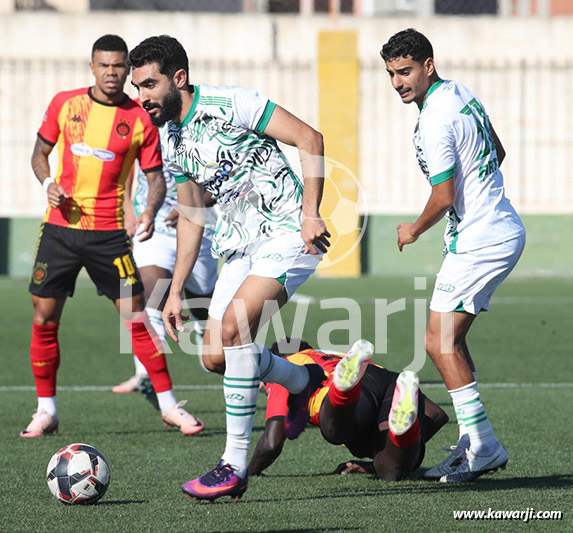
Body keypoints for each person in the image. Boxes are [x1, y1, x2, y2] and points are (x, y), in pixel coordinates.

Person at [129, 35, 331, 500]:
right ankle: (301, 381)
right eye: (138, 87)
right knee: (216, 357)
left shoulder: (235, 103)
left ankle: (231, 466)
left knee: (238, 326)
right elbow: (192, 214)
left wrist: (311, 212)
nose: (142, 97)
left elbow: (310, 138)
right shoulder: (170, 135)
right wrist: (177, 288)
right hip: (239, 247)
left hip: (288, 232)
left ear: (178, 78)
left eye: (150, 85)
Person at [23, 34, 202, 438]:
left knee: (138, 317)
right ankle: (45, 410)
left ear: (126, 70)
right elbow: (39, 152)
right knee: (44, 317)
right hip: (60, 229)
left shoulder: (140, 118)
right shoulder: (64, 104)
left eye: (118, 66)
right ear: (92, 67)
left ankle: (170, 406)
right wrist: (47, 181)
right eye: (103, 65)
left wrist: (150, 211)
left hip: (109, 236)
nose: (111, 72)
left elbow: (156, 179)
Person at [381, 29, 526, 482]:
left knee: (437, 341)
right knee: (450, 340)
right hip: (494, 228)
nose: (397, 82)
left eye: (405, 71)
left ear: (428, 65)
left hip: (481, 240)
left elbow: (443, 195)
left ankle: (483, 447)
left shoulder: (433, 120)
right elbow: (497, 152)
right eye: (390, 74)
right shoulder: (460, 93)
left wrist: (414, 229)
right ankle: (473, 442)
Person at [112, 131, 219, 395]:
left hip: (197, 226)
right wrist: (128, 213)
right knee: (150, 293)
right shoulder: (139, 124)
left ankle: (216, 353)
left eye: (151, 86)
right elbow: (125, 172)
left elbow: (224, 181)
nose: (147, 97)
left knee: (205, 305)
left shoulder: (201, 125)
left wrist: (191, 207)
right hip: (154, 227)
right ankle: (146, 374)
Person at [248, 339, 448, 481]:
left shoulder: (284, 369)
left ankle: (343, 389)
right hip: (384, 378)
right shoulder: (328, 355)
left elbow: (272, 442)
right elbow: (436, 415)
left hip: (347, 396)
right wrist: (401, 444)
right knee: (389, 470)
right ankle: (403, 430)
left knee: (335, 432)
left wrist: (248, 473)